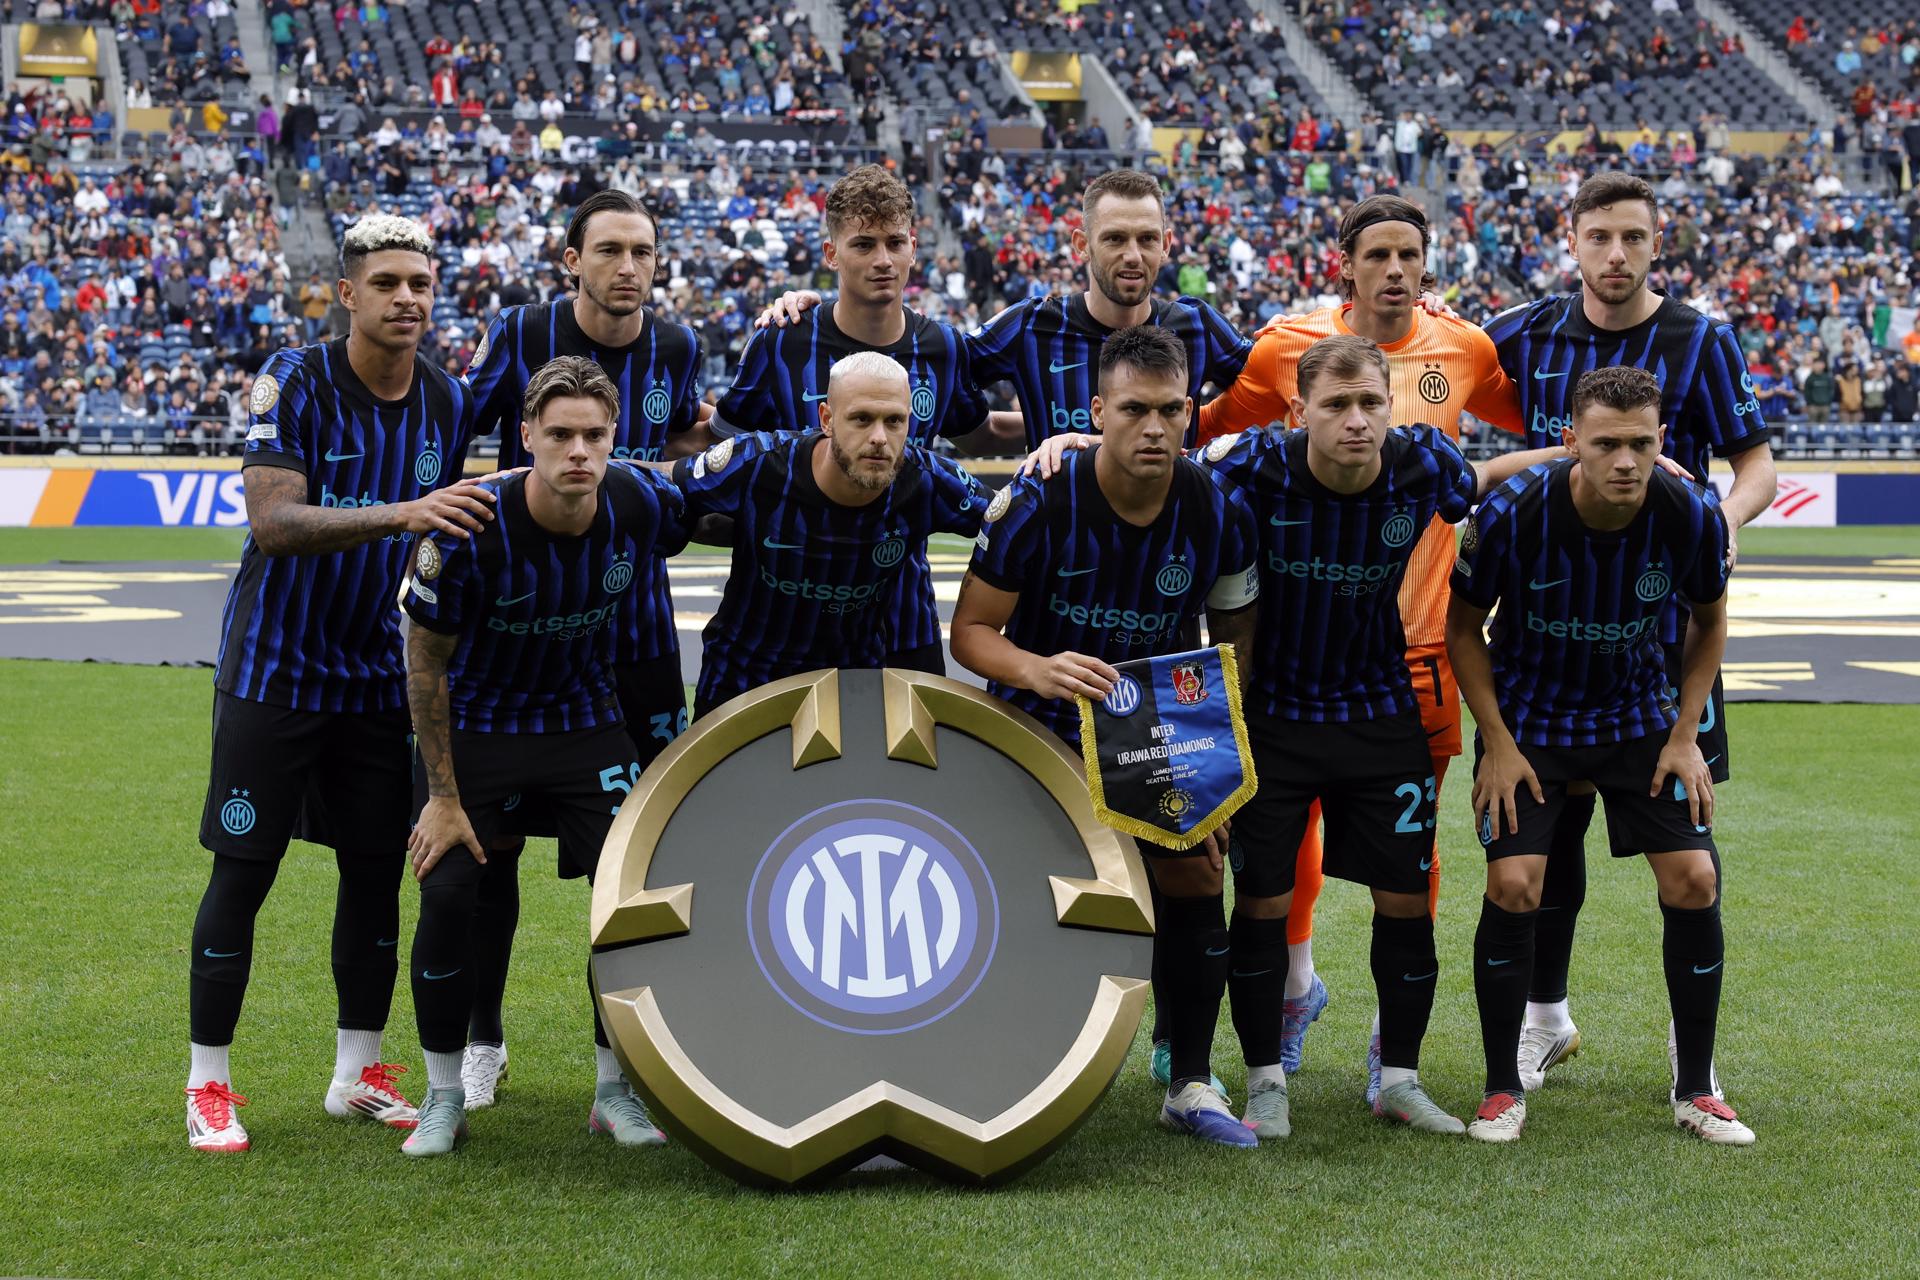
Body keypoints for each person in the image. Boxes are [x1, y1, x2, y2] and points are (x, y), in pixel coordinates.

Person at [1196, 334, 1567, 1135]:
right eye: (1336, 405)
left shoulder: (1420, 463)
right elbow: (1164, 483)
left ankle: (1397, 1078)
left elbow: (1484, 479)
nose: (1358, 420)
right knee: (1262, 902)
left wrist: (1572, 456)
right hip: (1277, 721)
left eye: (1372, 403)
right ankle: (1265, 1080)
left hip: (1378, 713)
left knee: (1406, 902)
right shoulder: (1249, 469)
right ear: (1300, 411)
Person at [186, 215, 491, 1153]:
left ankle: (355, 1074)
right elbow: (273, 523)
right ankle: (208, 1084)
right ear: (347, 294)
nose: (408, 299)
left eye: (422, 283)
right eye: (389, 282)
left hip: (373, 681)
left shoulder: (446, 399)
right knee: (244, 873)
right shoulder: (296, 378)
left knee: (374, 878)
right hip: (273, 675)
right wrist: (404, 512)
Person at [1482, 172, 1775, 1095]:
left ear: (1658, 244)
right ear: (1571, 239)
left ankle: (1699, 1070)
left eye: (1633, 239)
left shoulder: (1701, 337)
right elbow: (1458, 446)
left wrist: (1708, 529)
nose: (1616, 255)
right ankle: (1545, 1019)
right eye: (1599, 236)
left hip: (1661, 628)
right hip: (1548, 627)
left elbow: (1755, 465)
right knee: (1547, 835)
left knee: (1684, 836)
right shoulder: (1519, 334)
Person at [950, 326, 1263, 1145]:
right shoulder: (1038, 498)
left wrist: (1212, 758)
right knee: (1014, 897)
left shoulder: (1217, 506)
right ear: (1097, 412)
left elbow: (1233, 635)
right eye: (1133, 409)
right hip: (1040, 720)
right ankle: (1001, 1064)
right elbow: (972, 633)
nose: (1153, 427)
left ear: (1190, 413)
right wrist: (1038, 668)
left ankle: (1189, 1080)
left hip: (1153, 724)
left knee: (1196, 876)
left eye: (1169, 409)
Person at [1448, 365, 1753, 1146]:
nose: (1626, 461)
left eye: (1642, 444)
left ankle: (1696, 1089)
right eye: (1608, 444)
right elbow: (1463, 632)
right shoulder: (1513, 513)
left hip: (1638, 716)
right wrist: (1498, 746)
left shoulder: (1690, 514)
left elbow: (1710, 624)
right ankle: (1499, 1090)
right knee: (1516, 885)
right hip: (1531, 722)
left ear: (1662, 443)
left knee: (1695, 877)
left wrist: (1685, 737)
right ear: (1569, 442)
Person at [398, 356, 692, 1156]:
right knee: (451, 892)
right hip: (479, 730)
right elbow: (423, 662)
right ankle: (442, 1095)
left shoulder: (639, 500)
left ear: (614, 437)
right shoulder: (468, 526)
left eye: (595, 435)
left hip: (584, 722)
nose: (578, 452)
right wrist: (443, 795)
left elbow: (735, 490)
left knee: (631, 899)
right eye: (559, 435)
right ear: (526, 437)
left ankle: (612, 1091)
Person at [459, 190, 706, 1107]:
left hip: (632, 634)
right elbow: (460, 433)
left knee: (636, 855)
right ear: (573, 261)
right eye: (610, 251)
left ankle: (623, 1066)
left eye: (643, 250)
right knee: (492, 856)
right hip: (520, 638)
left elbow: (686, 437)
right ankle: (482, 1041)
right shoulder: (520, 330)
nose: (628, 267)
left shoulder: (674, 348)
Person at [706, 165, 989, 675]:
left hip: (902, 623)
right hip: (781, 620)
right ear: (832, 253)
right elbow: (719, 446)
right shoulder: (782, 339)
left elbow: (980, 436)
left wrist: (1071, 443)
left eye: (894, 242)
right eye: (863, 244)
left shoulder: (945, 347)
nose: (882, 260)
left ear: (914, 248)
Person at [755, 169, 1253, 454]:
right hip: (1053, 579)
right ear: (1082, 244)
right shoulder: (1028, 326)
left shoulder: (1199, 326)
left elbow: (1276, 380)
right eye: (1115, 238)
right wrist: (813, 311)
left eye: (1147, 239)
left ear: (1167, 245)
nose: (1132, 254)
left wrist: (1204, 428)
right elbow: (915, 355)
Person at [673, 351, 988, 718]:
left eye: (894, 421)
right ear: (826, 418)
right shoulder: (759, 461)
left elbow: (1017, 516)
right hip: (741, 684)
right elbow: (657, 485)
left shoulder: (929, 481)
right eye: (861, 419)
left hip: (852, 690)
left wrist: (1058, 449)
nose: (879, 438)